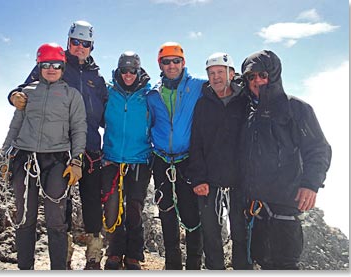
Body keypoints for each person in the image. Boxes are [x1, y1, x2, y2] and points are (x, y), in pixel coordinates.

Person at [7, 20, 108, 270]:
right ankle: (64, 257)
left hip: (90, 147)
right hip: (60, 148)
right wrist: (12, 95)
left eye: (86, 43)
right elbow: (26, 92)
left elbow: (108, 113)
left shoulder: (97, 77)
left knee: (92, 201)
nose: (80, 47)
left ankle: (93, 256)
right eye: (76, 42)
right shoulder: (54, 64)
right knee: (62, 205)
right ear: (68, 42)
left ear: (92, 47)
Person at [239, 50, 332, 269]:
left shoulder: (296, 109)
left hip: (285, 207)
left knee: (285, 265)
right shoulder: (249, 113)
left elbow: (318, 149)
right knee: (261, 261)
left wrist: (310, 185)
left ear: (274, 74)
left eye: (262, 74)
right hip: (256, 207)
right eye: (250, 77)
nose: (257, 81)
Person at [2, 43, 87, 270]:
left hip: (56, 160)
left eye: (57, 65)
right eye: (46, 64)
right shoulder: (27, 93)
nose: (51, 69)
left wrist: (77, 160)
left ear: (63, 67)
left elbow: (79, 129)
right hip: (25, 158)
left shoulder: (72, 95)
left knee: (56, 221)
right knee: (24, 217)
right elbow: (15, 125)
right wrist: (5, 155)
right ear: (39, 66)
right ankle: (25, 269)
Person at [189, 52, 252, 270]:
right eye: (211, 73)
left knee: (241, 235)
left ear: (231, 74)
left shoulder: (245, 102)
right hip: (210, 182)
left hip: (239, 183)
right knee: (211, 235)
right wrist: (198, 178)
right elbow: (195, 143)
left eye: (220, 72)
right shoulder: (203, 105)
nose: (215, 77)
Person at [146, 42, 204, 270]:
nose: (172, 65)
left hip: (188, 160)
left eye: (176, 61)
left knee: (191, 215)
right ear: (160, 64)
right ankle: (172, 265)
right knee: (166, 212)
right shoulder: (152, 93)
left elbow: (224, 85)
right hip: (161, 160)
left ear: (184, 62)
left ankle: (193, 265)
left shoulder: (198, 86)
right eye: (166, 61)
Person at [101, 51, 152, 270]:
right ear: (118, 71)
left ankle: (133, 255)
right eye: (125, 70)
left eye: (133, 70)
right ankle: (114, 252)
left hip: (139, 159)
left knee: (134, 207)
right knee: (112, 207)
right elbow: (98, 117)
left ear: (139, 71)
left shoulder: (149, 94)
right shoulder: (108, 92)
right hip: (112, 159)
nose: (129, 75)